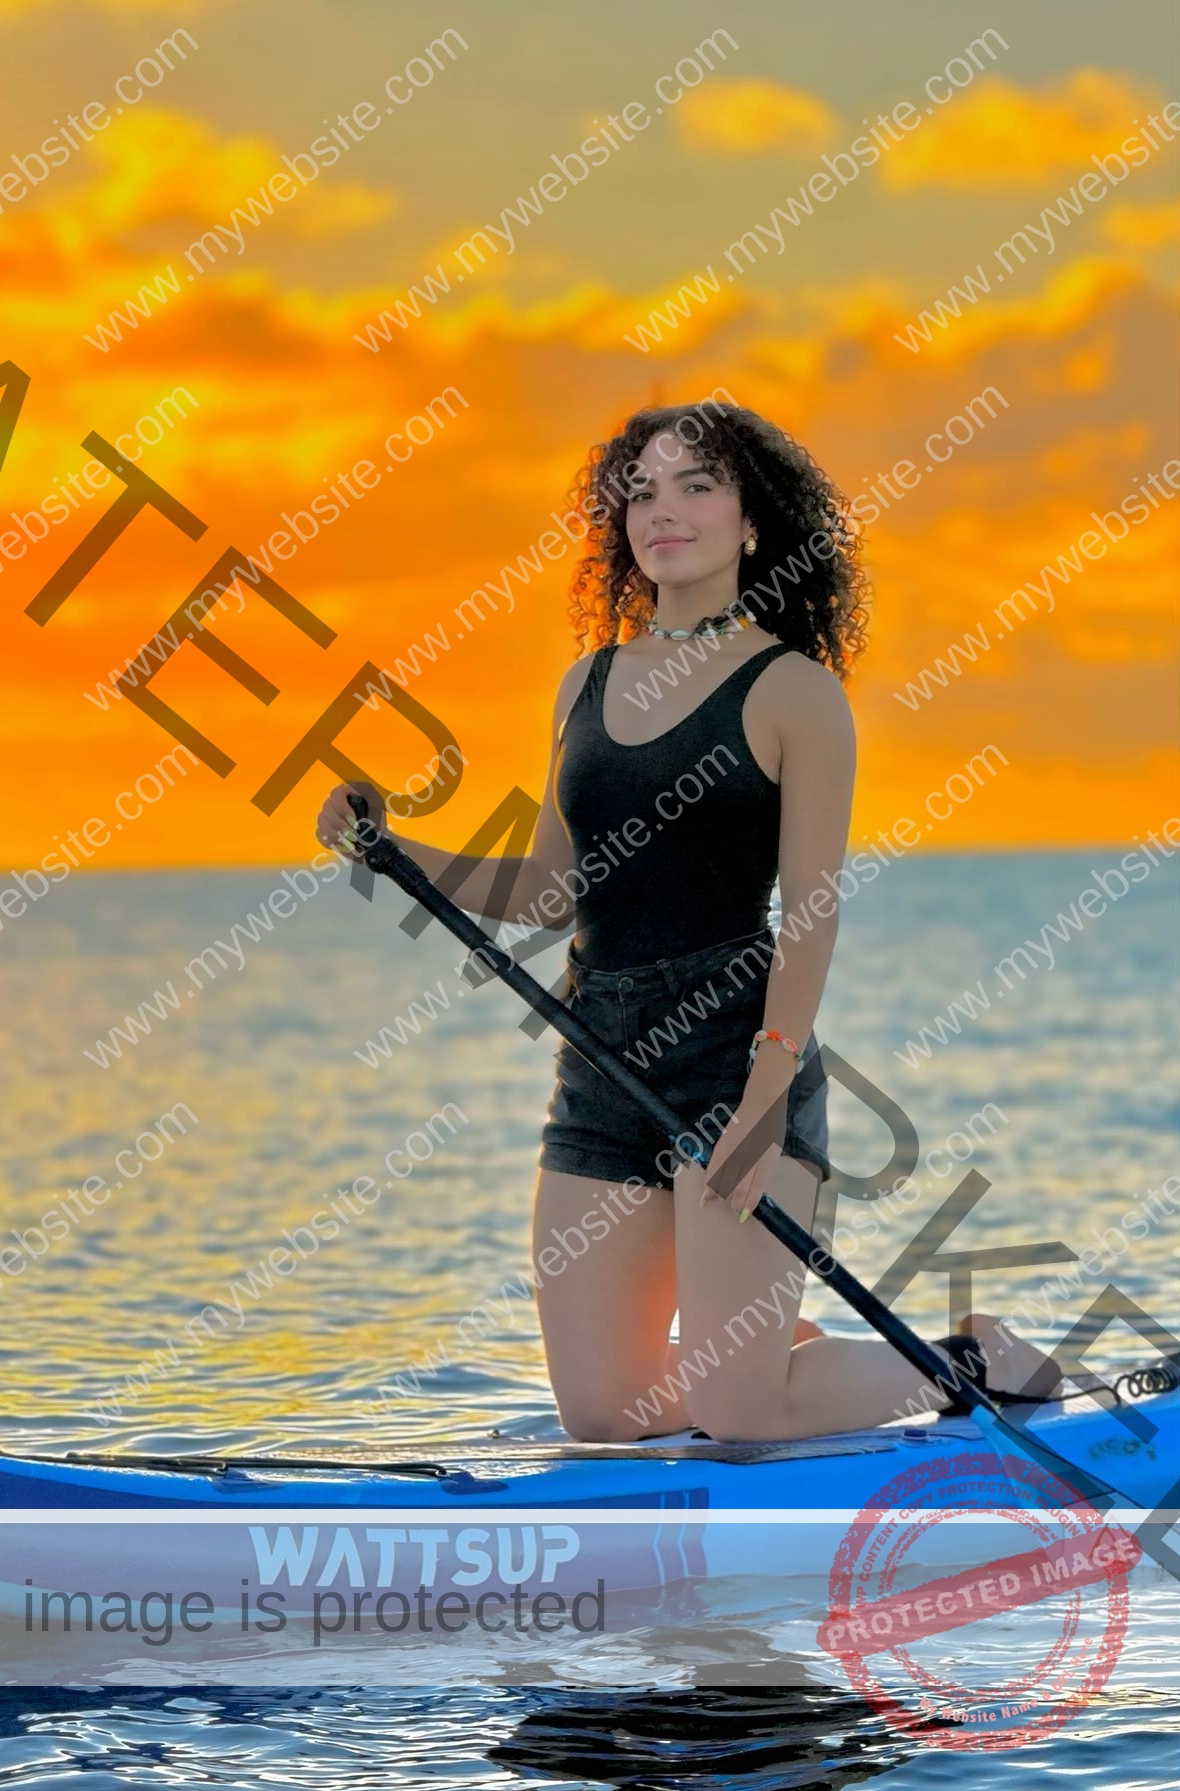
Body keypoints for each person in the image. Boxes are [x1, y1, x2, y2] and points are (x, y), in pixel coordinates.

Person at [317, 400, 1060, 1442]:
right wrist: (388, 848)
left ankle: (971, 1361)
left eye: (698, 484)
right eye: (643, 491)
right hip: (599, 1063)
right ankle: (771, 1350)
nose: (665, 510)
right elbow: (548, 892)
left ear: (752, 520)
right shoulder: (587, 683)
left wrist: (763, 1097)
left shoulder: (795, 692)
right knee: (601, 1415)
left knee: (738, 1418)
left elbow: (811, 917)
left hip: (734, 1059)